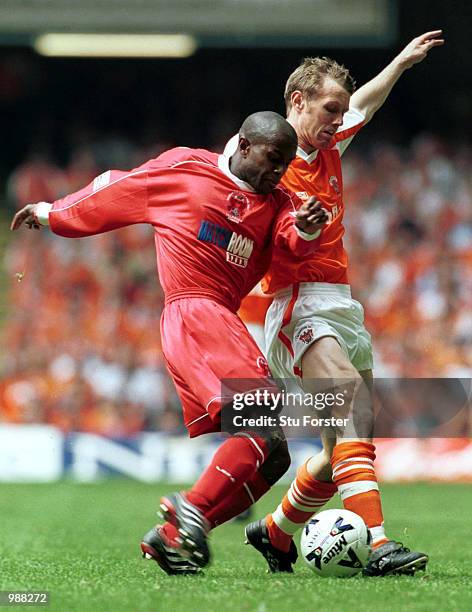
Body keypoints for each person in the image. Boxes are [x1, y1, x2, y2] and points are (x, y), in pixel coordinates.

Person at [11, 111, 329, 575]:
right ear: (243, 145)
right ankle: (188, 509)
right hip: (195, 311)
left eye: (284, 163)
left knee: (275, 453)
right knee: (263, 418)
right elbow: (117, 189)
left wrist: (306, 228)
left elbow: (289, 242)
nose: (278, 171)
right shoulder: (185, 169)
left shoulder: (280, 202)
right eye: (271, 159)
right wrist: (51, 213)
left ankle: (175, 534)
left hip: (222, 318)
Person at [243, 31, 444, 576]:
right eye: (328, 108)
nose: (338, 118)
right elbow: (236, 203)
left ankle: (277, 532)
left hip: (341, 305)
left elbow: (363, 104)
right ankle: (378, 545)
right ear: (297, 101)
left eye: (340, 111)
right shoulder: (263, 159)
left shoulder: (329, 143)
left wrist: (400, 64)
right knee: (350, 413)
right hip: (296, 306)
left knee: (340, 452)